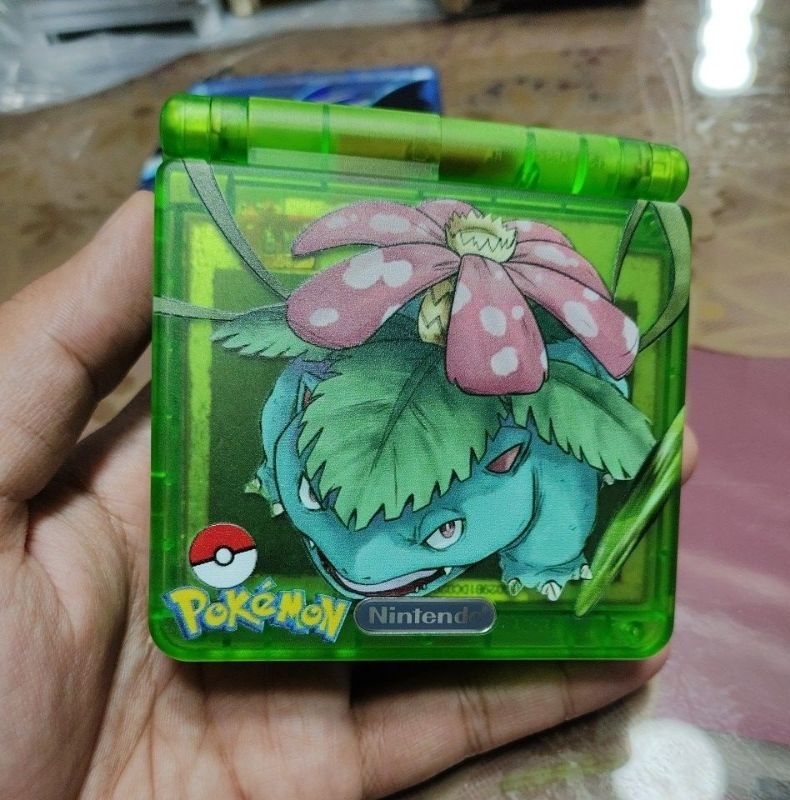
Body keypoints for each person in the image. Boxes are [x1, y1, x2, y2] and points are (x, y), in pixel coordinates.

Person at [0, 192, 697, 800]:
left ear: (509, 463)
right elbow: (290, 394)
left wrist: (546, 560)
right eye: (315, 488)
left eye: (442, 532)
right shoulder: (312, 391)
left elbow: (567, 483)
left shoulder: (529, 451)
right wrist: (287, 472)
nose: (362, 564)